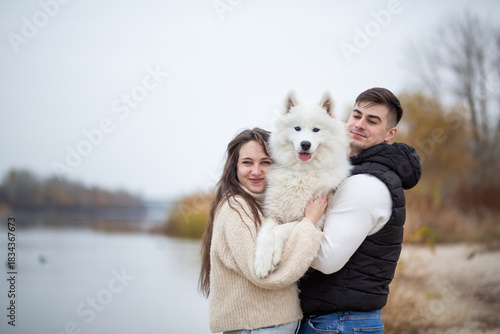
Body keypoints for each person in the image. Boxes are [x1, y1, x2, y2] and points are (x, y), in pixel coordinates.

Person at [298, 87, 422, 334]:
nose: (359, 124)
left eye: (372, 121)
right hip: (341, 321)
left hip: (338, 324)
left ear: (390, 134)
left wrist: (293, 231)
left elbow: (326, 259)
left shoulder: (366, 184)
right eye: (356, 116)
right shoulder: (361, 171)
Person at [199, 128, 326, 334]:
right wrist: (309, 224)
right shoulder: (237, 206)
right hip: (258, 328)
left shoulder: (262, 207)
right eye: (247, 162)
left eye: (265, 162)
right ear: (234, 167)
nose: (256, 171)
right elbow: (263, 275)